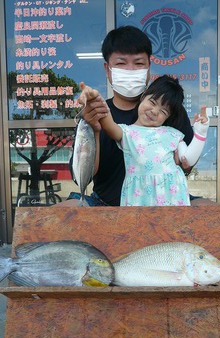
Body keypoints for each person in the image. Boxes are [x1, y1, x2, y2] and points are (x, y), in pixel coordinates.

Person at [67, 25, 196, 206]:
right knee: (63, 211)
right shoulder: (96, 112)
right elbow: (83, 177)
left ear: (149, 67)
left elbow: (188, 163)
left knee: (211, 210)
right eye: (121, 63)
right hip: (104, 204)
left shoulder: (172, 111)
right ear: (107, 68)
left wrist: (184, 158)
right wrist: (94, 130)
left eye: (138, 63)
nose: (130, 70)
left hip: (163, 201)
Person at [96, 75, 209, 206]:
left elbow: (188, 159)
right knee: (138, 226)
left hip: (172, 199)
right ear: (143, 96)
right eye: (152, 102)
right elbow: (109, 125)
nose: (154, 111)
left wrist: (201, 133)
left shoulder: (172, 134)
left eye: (163, 111)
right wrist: (97, 101)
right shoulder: (127, 132)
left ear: (168, 117)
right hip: (139, 198)